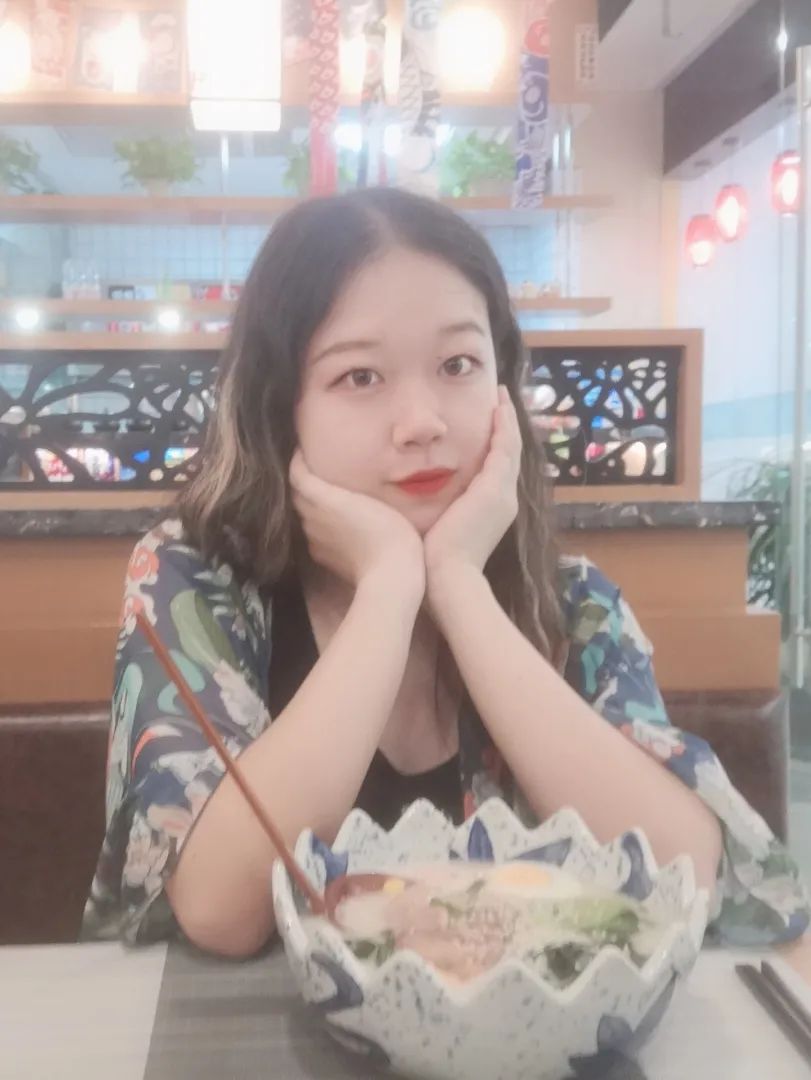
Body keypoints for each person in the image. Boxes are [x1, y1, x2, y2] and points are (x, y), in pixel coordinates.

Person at [82, 187, 809, 958]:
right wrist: (387, 588)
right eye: (360, 377)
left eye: (457, 364)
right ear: (279, 406)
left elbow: (687, 877)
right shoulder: (198, 581)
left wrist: (460, 587)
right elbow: (219, 911)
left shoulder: (573, 603)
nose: (422, 422)